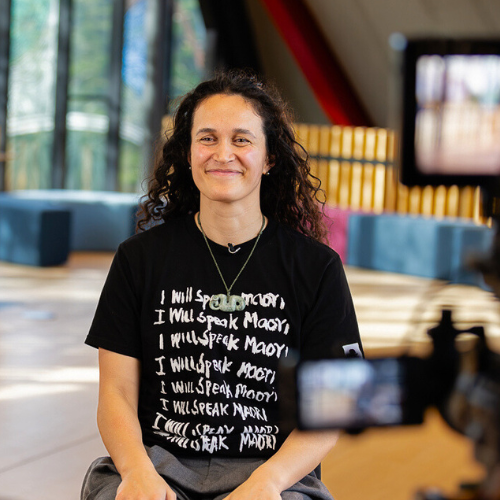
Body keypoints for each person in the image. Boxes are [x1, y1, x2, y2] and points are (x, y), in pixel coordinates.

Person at [81, 69, 363, 500]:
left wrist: (267, 483)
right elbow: (116, 392)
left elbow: (333, 407)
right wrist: (137, 472)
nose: (223, 154)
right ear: (188, 152)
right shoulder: (138, 259)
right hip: (159, 465)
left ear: (269, 158)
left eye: (242, 140)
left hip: (271, 472)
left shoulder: (317, 268)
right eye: (207, 138)